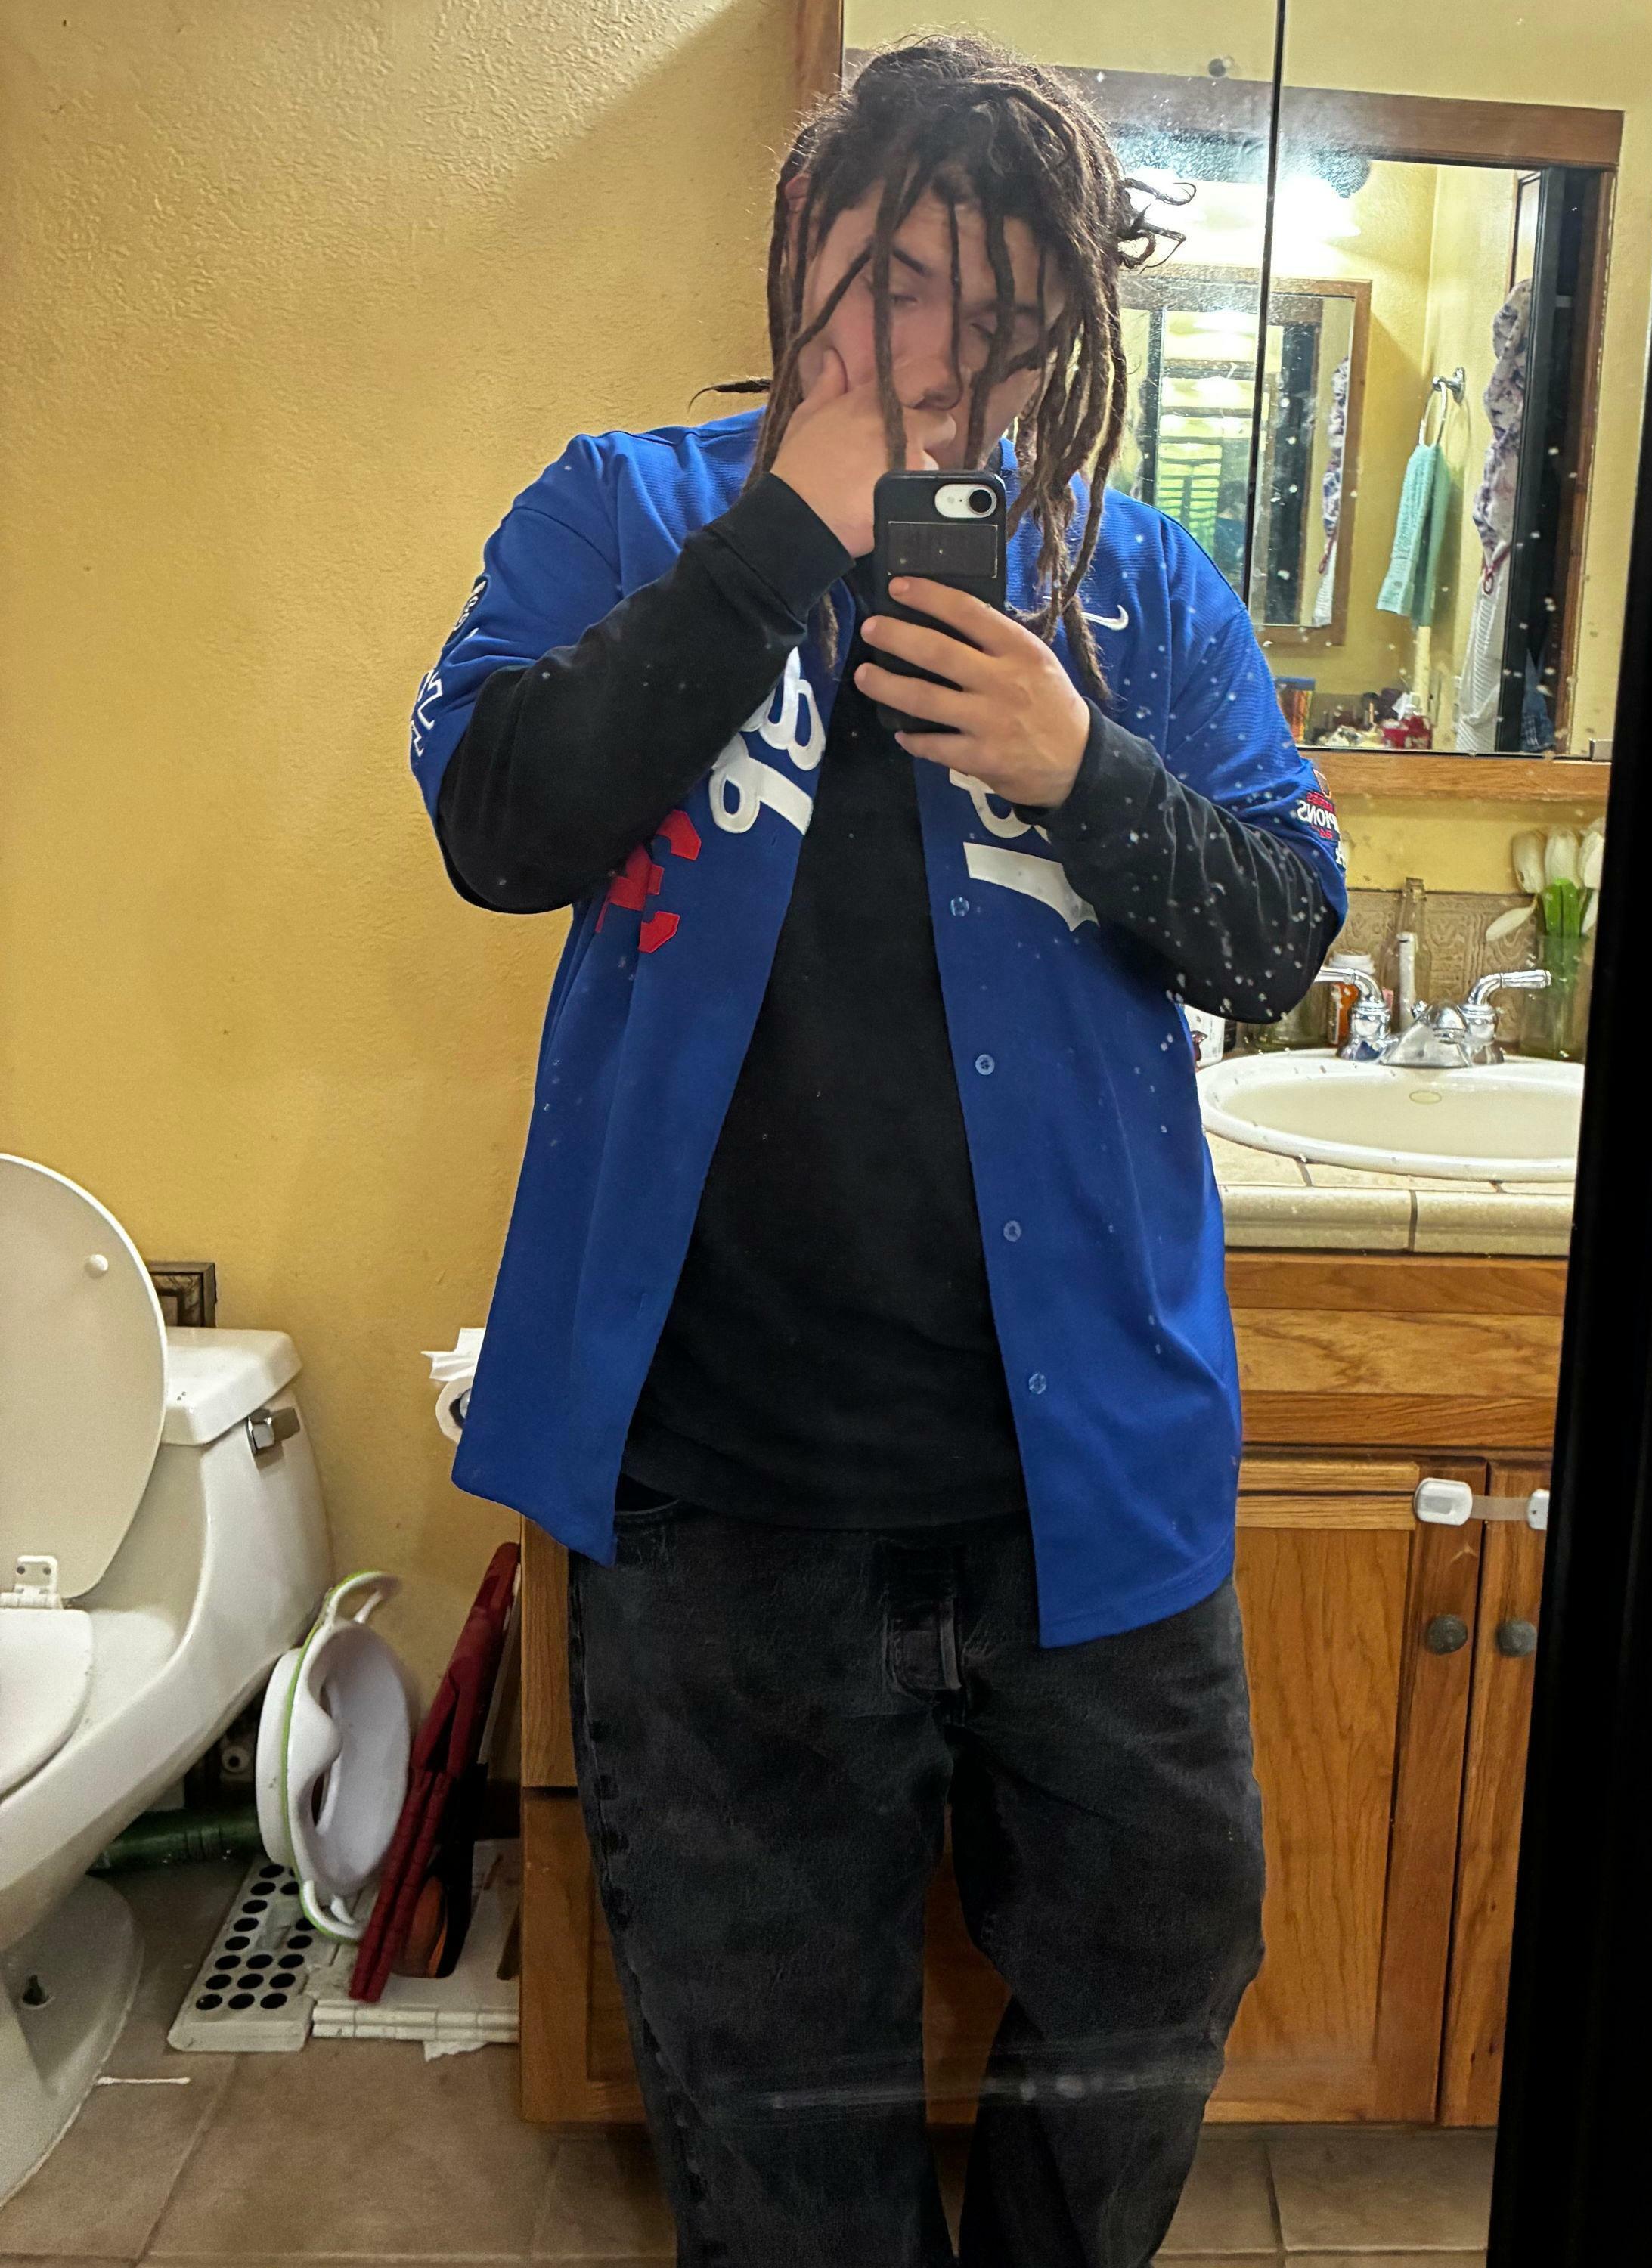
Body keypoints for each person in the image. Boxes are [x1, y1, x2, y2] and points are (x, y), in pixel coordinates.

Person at [408, 36, 1347, 2268]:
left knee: (1161, 1962)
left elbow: (1279, 935)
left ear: (1065, 333)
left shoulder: (1144, 594)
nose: (932, 364)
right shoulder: (619, 514)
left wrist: (1081, 762)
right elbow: (497, 823)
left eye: (998, 314)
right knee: (759, 2064)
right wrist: (774, 546)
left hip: (1086, 1496)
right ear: (799, 248)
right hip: (719, 1504)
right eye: (889, 284)